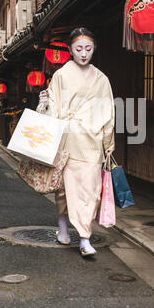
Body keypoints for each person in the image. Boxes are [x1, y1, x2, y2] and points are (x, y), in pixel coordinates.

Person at [37, 27, 115, 256]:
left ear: (94, 49)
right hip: (68, 139)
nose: (83, 53)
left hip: (92, 142)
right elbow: (54, 108)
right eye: (79, 49)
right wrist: (45, 102)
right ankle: (63, 229)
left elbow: (108, 113)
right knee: (65, 189)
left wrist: (108, 142)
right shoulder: (61, 75)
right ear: (70, 50)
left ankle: (84, 237)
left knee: (91, 190)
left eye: (88, 49)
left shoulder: (102, 79)